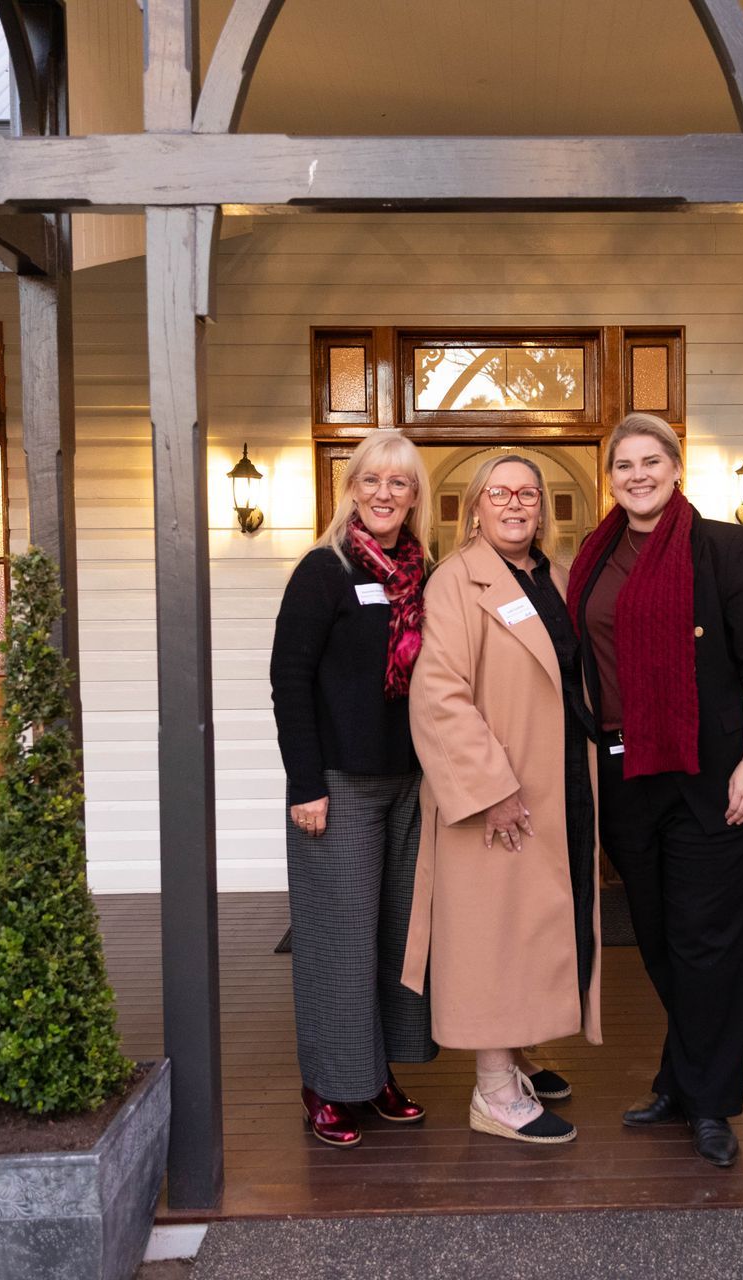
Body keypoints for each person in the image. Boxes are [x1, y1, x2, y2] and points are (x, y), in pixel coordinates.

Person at [566, 412, 743, 1169]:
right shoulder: (592, 559)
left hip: (713, 775)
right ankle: (681, 1080)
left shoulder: (726, 548)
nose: (637, 475)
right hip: (626, 773)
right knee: (658, 940)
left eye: (651, 461)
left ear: (677, 468)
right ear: (610, 477)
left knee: (708, 945)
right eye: (623, 465)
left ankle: (709, 1104)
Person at [404, 454, 599, 1145]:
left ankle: (514, 1056)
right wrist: (491, 789)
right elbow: (438, 697)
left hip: (558, 779)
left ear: (542, 509)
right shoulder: (457, 582)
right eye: (500, 493)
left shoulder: (554, 576)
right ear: (476, 508)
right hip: (498, 788)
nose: (516, 504)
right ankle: (492, 1093)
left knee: (533, 925)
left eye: (528, 493)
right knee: (491, 935)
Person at [270, 429, 437, 1149]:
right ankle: (328, 1085)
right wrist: (305, 783)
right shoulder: (324, 570)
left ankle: (374, 1075)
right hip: (337, 786)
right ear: (351, 489)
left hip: (410, 784)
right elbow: (289, 681)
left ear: (415, 496)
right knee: (339, 942)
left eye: (399, 483)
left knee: (396, 940)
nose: (383, 494)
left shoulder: (426, 574)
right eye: (371, 479)